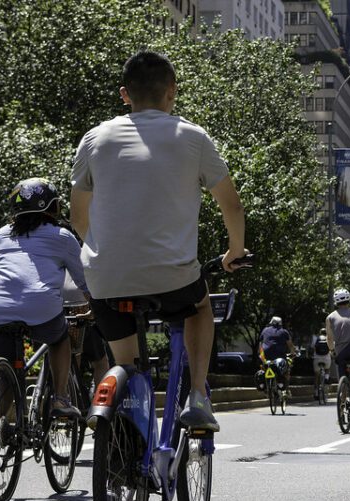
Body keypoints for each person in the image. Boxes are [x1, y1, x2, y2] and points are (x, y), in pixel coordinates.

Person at [70, 50, 247, 432]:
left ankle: (128, 442)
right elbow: (231, 205)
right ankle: (197, 394)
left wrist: (102, 253)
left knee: (128, 367)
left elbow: (77, 217)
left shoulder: (94, 138)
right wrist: (235, 250)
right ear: (172, 93)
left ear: (124, 94)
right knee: (200, 307)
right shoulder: (193, 136)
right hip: (174, 280)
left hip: (105, 280)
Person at [0, 178, 88, 419]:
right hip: (41, 308)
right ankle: (60, 398)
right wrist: (96, 305)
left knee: (8, 372)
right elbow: (84, 280)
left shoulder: (0, 234)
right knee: (60, 340)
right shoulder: (62, 236)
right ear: (51, 208)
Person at [261, 316, 295, 391]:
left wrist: (260, 354)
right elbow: (290, 345)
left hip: (266, 356)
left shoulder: (265, 330)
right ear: (280, 324)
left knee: (264, 368)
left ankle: (265, 387)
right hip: (279, 356)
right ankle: (284, 389)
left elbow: (261, 344)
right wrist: (293, 353)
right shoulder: (284, 332)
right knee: (286, 370)